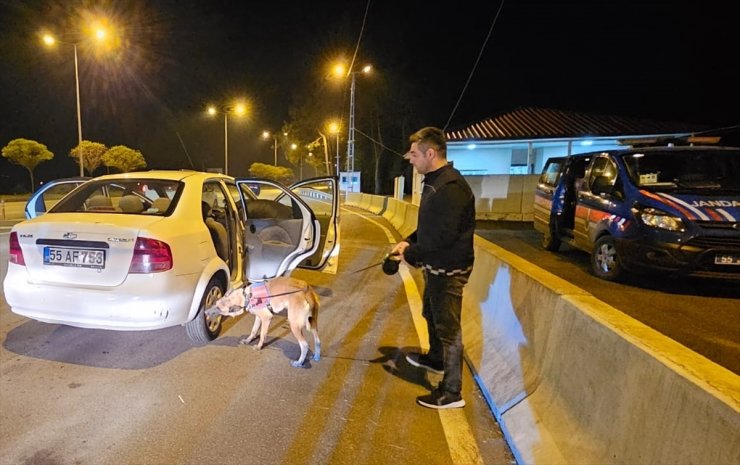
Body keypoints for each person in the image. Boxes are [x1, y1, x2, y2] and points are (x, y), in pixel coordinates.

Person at [391, 126, 475, 409]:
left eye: (414, 154)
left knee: (449, 329)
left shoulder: (450, 188)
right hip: (435, 266)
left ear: (431, 153)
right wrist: (408, 241)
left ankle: (451, 391)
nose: (410, 159)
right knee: (430, 312)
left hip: (448, 269)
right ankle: (436, 359)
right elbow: (429, 228)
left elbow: (442, 237)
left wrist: (411, 255)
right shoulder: (433, 180)